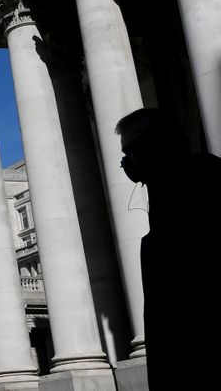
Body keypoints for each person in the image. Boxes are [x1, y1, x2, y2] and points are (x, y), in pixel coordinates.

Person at [116, 108, 221, 390]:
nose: (127, 163)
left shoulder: (200, 181)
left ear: (158, 143)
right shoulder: (164, 189)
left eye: (131, 151)